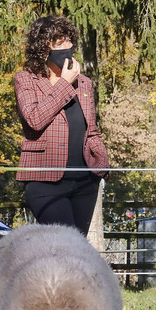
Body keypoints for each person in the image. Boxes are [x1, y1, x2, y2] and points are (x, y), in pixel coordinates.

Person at [13, 15, 110, 235]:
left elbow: (91, 129)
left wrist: (101, 165)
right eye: (59, 44)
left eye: (68, 42)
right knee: (63, 242)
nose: (67, 48)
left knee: (77, 250)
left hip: (85, 182)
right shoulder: (26, 79)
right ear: (41, 49)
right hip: (45, 181)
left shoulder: (84, 82)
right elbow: (35, 119)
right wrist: (65, 83)